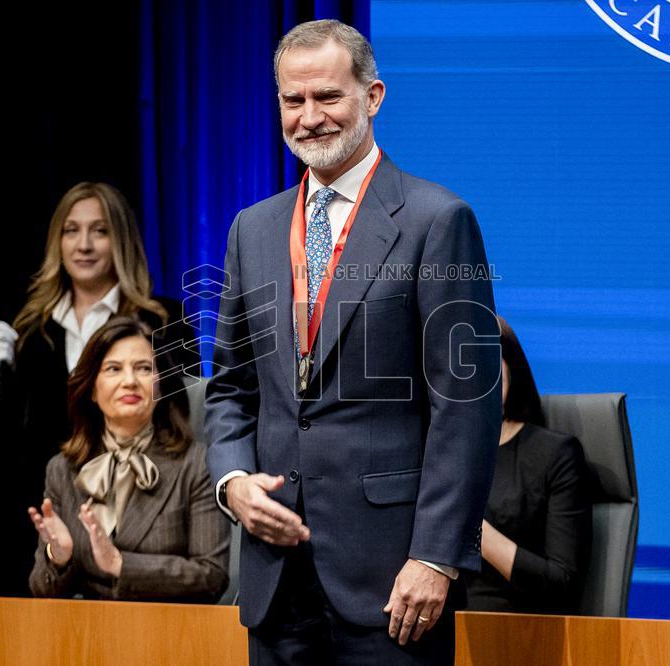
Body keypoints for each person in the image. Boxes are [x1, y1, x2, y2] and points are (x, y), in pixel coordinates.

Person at [205, 19, 500, 664]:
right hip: (276, 579)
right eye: (293, 100)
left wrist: (435, 556)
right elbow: (230, 386)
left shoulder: (437, 220)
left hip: (393, 582)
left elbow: (467, 405)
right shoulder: (251, 230)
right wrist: (231, 482)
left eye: (328, 97)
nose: (309, 117)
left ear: (373, 97)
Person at [0, 182, 199, 595]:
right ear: (56, 242)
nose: (84, 244)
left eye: (99, 230)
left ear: (121, 240)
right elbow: (2, 443)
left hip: (140, 524)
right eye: (71, 230)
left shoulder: (162, 318)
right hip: (41, 524)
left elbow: (183, 425)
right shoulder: (29, 329)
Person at [27, 316, 228, 602]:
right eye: (113, 369)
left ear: (161, 387)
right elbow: (41, 589)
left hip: (170, 635)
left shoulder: (196, 463)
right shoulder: (62, 469)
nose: (130, 381)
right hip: (84, 637)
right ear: (92, 389)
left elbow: (212, 575)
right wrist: (58, 557)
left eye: (144, 369)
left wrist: (121, 564)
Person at [466, 316, 592, 614]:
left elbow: (562, 582)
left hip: (514, 629)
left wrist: (469, 528)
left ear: (510, 367)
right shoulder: (432, 454)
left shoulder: (554, 454)